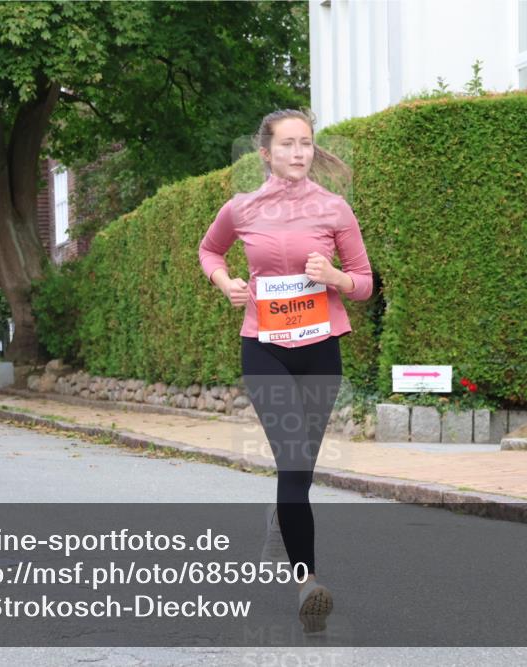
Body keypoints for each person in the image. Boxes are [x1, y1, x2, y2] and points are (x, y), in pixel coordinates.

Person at [197, 108, 373, 633]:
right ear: (265, 153)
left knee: (299, 472)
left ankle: (284, 518)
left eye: (306, 143)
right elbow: (210, 250)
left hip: (320, 349)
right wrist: (224, 282)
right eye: (288, 144)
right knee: (293, 462)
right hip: (265, 348)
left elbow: (365, 281)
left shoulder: (335, 209)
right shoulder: (242, 207)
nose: (299, 153)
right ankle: (308, 584)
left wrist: (336, 277)